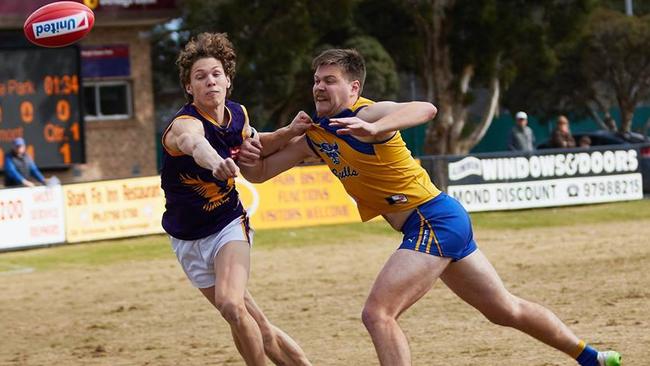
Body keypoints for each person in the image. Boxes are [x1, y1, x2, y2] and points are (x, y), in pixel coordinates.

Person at [237, 48, 621, 366]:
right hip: (434, 222)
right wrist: (276, 138)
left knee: (377, 314)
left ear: (354, 87)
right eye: (317, 80)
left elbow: (426, 108)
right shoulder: (316, 135)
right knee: (505, 309)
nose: (319, 86)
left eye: (329, 80)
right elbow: (259, 173)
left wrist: (376, 129)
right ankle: (592, 357)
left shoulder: (366, 114)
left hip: (433, 218)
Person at [160, 32, 311, 366]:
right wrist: (217, 163)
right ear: (189, 87)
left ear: (227, 79)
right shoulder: (183, 125)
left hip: (228, 223)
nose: (209, 81)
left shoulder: (238, 115)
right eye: (200, 77)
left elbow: (257, 143)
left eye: (216, 74)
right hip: (186, 239)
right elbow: (195, 145)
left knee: (231, 304)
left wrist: (288, 132)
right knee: (259, 327)